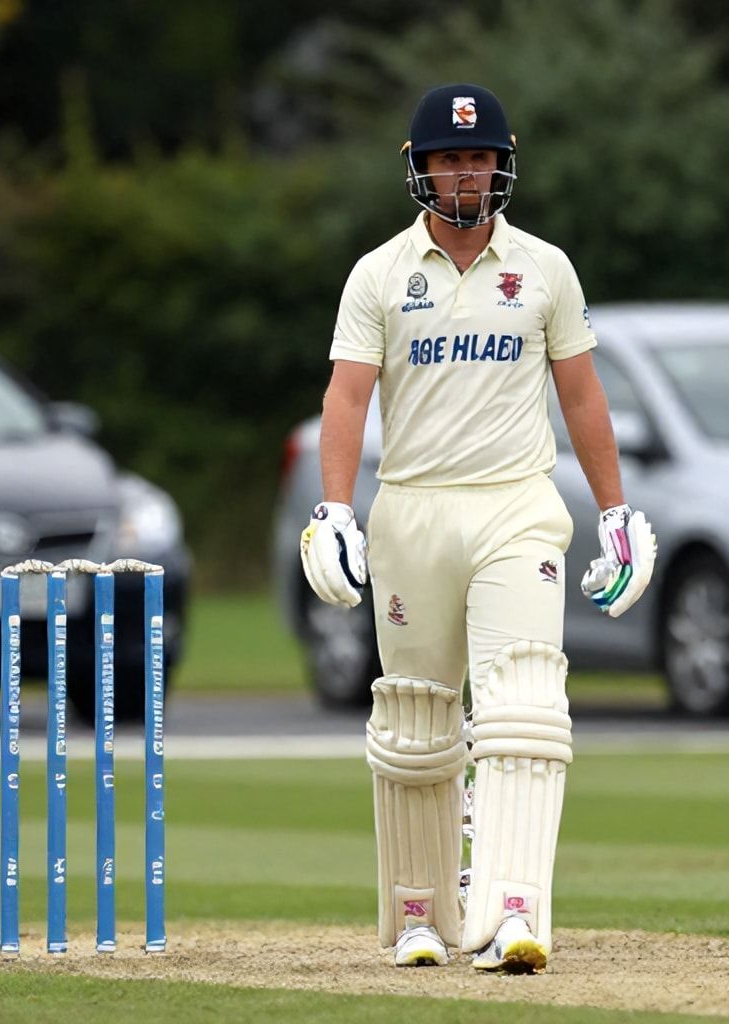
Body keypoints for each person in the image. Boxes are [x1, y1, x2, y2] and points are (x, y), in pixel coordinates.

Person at [299, 83, 656, 974]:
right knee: (419, 724)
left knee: (525, 705)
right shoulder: (378, 274)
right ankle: (421, 912)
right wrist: (335, 509)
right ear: (419, 168)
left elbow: (580, 393)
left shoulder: (545, 269)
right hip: (412, 510)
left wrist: (614, 512)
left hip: (515, 505)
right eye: (449, 158)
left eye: (479, 157)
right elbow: (346, 396)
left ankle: (511, 914)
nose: (465, 173)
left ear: (503, 162)